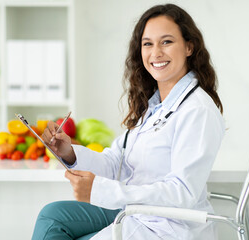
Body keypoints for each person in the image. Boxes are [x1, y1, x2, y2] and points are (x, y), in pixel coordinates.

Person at [32, 3, 224, 240]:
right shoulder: (155, 107)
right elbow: (116, 163)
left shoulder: (197, 110)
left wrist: (103, 191)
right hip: (136, 212)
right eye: (148, 44)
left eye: (166, 42)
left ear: (189, 47)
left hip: (168, 227)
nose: (156, 53)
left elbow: (183, 192)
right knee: (52, 216)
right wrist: (69, 152)